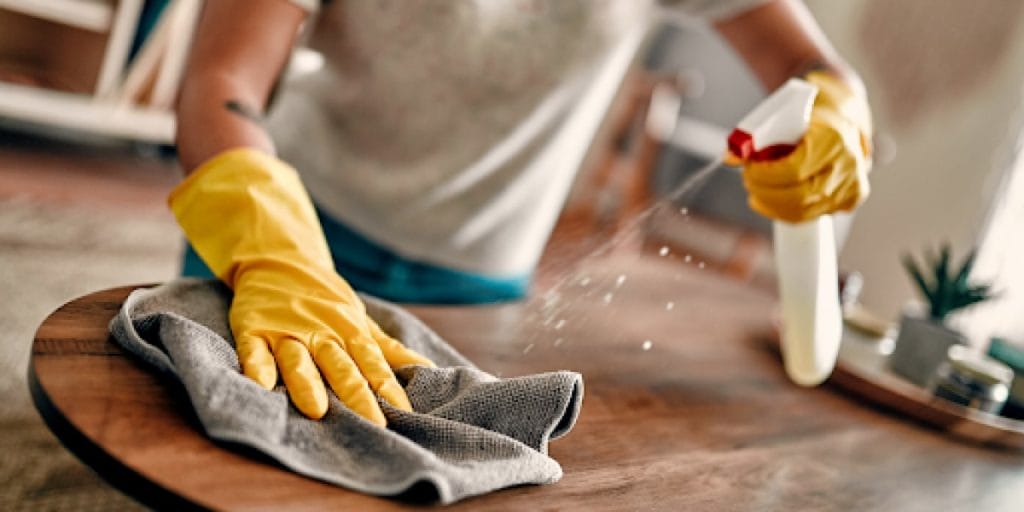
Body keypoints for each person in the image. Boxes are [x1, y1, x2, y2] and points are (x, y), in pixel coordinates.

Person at [171, 0, 872, 424]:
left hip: (478, 289)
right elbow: (223, 78)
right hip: (277, 240)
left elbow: (813, 67)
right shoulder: (274, 249)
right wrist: (276, 254)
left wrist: (838, 111)